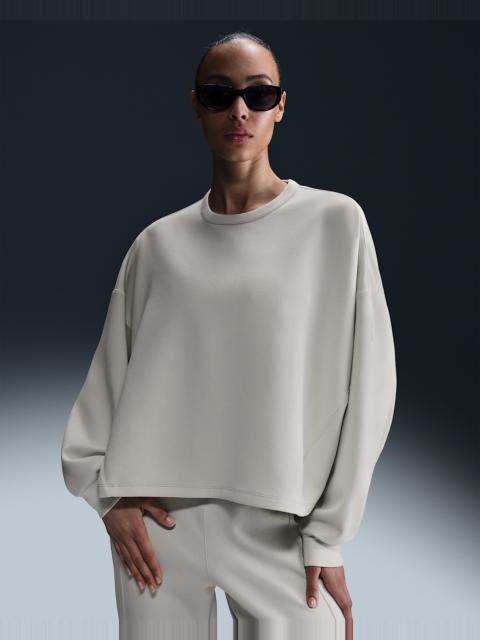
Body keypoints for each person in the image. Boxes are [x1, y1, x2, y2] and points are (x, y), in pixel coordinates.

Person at [60, 30, 397, 640]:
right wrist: (108, 499)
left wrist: (327, 536)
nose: (239, 111)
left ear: (280, 106)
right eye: (219, 95)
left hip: (282, 529)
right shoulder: (156, 245)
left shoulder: (335, 223)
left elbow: (372, 389)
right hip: (157, 531)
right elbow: (107, 383)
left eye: (258, 94)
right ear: (197, 105)